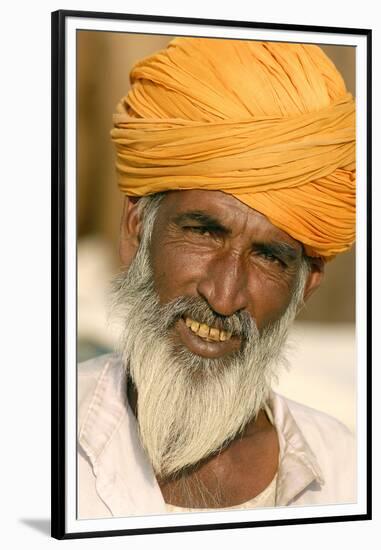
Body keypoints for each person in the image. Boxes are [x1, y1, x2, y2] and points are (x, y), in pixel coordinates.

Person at [77, 38, 356, 519]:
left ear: (306, 284)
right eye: (204, 232)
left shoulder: (349, 474)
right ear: (137, 227)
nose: (224, 296)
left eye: (269, 257)